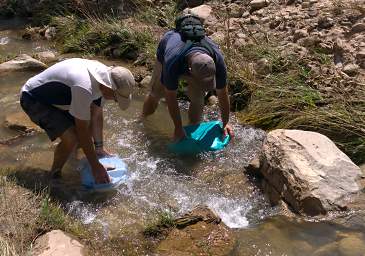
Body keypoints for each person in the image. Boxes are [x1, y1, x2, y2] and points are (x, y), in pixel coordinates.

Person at [20, 58, 135, 184]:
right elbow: (82, 130)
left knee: (85, 130)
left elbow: (96, 114)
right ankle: (54, 175)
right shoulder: (84, 87)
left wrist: (99, 148)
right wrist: (95, 166)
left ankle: (72, 158)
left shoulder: (103, 77)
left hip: (62, 97)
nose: (115, 101)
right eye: (116, 97)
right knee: (72, 138)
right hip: (33, 98)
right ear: (108, 86)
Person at [142, 14, 234, 142]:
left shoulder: (217, 60)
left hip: (194, 65)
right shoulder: (172, 61)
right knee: (156, 93)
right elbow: (171, 97)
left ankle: (192, 128)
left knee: (198, 99)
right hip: (168, 53)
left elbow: (223, 94)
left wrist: (225, 123)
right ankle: (142, 119)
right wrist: (178, 127)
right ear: (190, 71)